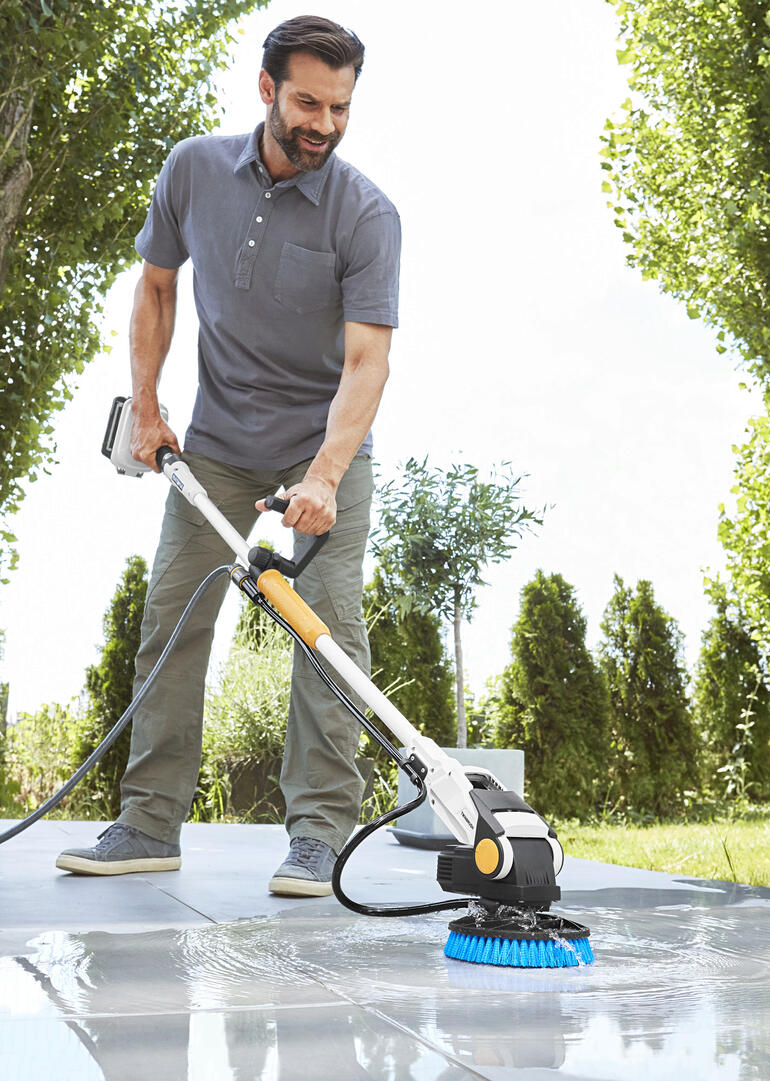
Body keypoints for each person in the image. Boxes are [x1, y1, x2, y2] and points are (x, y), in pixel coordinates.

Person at [56, 15, 401, 897]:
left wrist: (324, 476)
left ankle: (320, 834)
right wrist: (146, 403)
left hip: (321, 457)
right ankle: (146, 821)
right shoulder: (194, 170)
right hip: (212, 450)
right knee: (171, 620)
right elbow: (158, 285)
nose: (323, 123)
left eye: (341, 107)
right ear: (266, 90)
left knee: (327, 635)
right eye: (308, 102)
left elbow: (368, 361)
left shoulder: (366, 214)